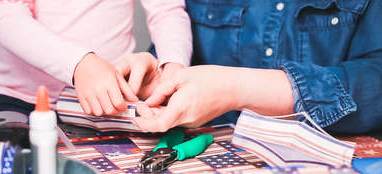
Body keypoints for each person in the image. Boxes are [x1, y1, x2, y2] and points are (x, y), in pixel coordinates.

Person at [117, 0, 382, 134]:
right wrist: (164, 74)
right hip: (205, 168)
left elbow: (375, 83)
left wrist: (238, 89)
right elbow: (182, 46)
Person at [0, 0, 192, 116]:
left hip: (113, 103)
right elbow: (9, 20)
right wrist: (79, 64)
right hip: (23, 101)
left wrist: (174, 67)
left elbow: (167, 11)